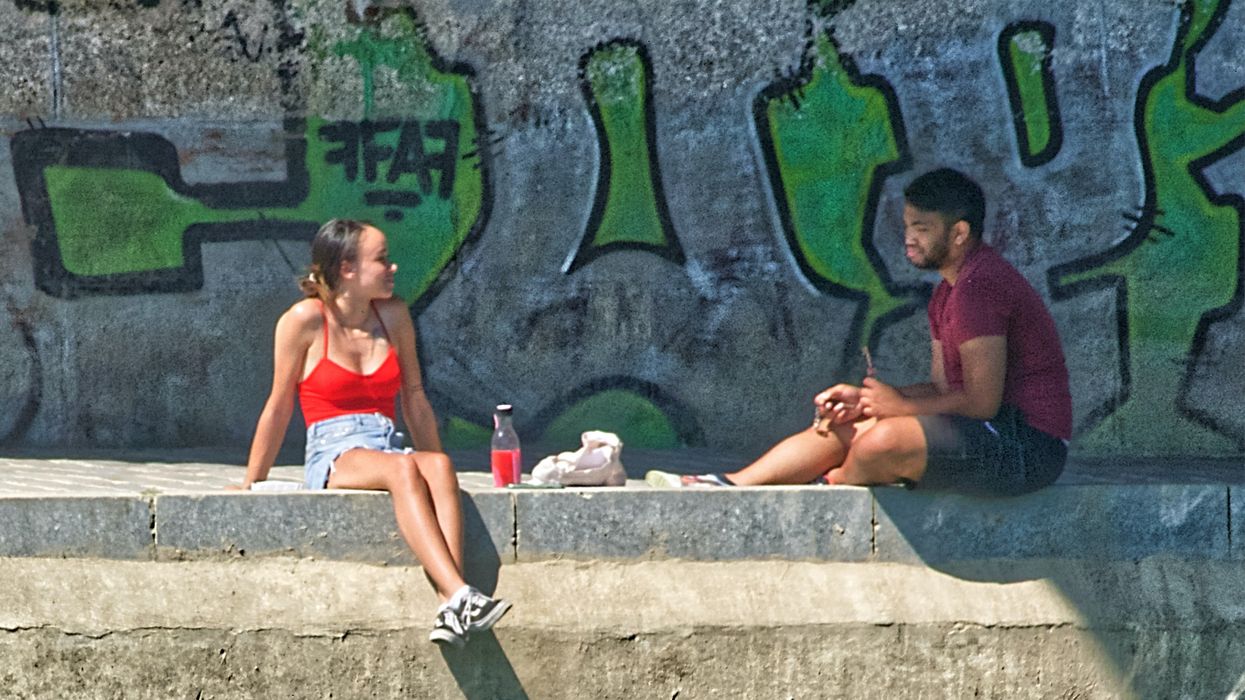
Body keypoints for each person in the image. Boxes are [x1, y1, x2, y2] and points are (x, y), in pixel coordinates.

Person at [648, 168, 1072, 495]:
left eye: (921, 229)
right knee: (849, 424)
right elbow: (945, 389)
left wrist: (896, 409)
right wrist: (874, 400)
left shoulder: (982, 285)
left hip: (1027, 448)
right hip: (983, 430)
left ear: (959, 233)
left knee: (883, 439)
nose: (908, 240)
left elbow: (981, 403)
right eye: (907, 227)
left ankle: (829, 488)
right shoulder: (948, 291)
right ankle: (730, 484)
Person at [237, 218, 509, 648]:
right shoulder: (305, 320)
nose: (393, 267)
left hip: (386, 441)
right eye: (381, 259)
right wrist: (254, 479)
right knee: (403, 471)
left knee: (436, 464)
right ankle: (458, 592)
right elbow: (278, 404)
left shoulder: (395, 315)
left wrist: (433, 469)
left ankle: (449, 605)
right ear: (348, 268)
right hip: (334, 448)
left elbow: (415, 398)